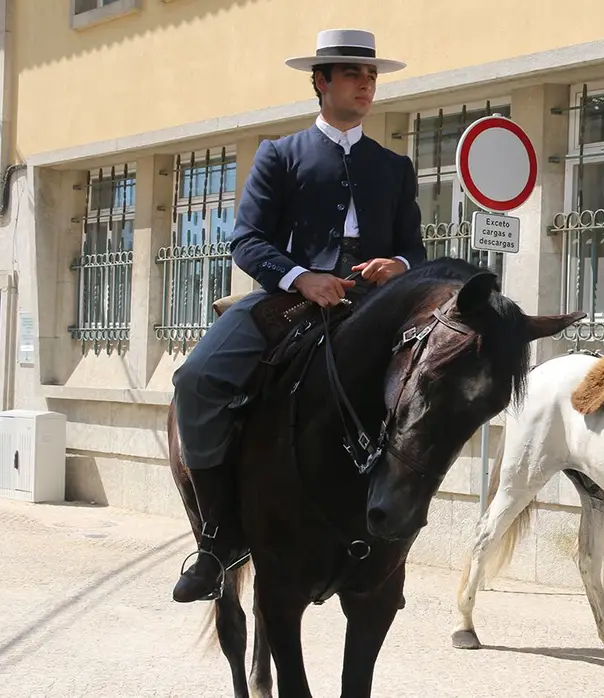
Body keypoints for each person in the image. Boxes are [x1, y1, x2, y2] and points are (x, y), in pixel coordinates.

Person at [169, 29, 426, 603]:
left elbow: (417, 247)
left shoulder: (393, 165)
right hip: (289, 299)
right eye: (354, 75)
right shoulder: (279, 154)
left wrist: (400, 264)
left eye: (372, 77)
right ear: (321, 82)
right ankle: (216, 539)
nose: (366, 85)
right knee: (196, 380)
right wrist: (302, 278)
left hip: (377, 305)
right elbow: (248, 241)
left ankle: (397, 531)